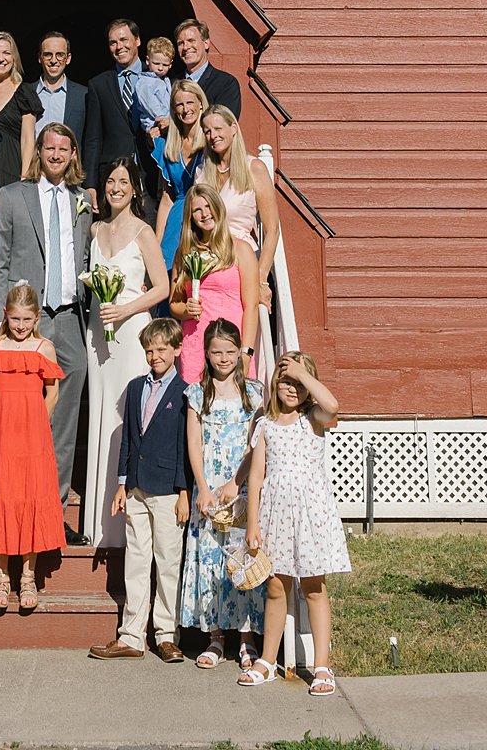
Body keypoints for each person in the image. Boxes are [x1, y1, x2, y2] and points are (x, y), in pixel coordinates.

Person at [0, 122, 92, 528]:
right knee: (22, 419)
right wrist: (1, 320)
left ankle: (55, 508)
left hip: (68, 317)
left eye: (63, 149)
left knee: (64, 422)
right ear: (40, 152)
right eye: (49, 148)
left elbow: (84, 258)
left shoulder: (81, 199)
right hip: (26, 324)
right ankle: (16, 506)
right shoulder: (13, 196)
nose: (55, 155)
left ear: (72, 155)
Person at [239, 351, 350, 694]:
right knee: (275, 587)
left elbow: (331, 404)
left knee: (313, 587)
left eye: (299, 382)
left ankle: (321, 666)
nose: (293, 387)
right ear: (275, 384)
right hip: (276, 514)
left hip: (310, 514)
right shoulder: (266, 425)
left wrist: (303, 374)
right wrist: (253, 525)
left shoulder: (313, 418)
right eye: (286, 380)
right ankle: (268, 661)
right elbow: (255, 478)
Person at [87, 317, 190, 662]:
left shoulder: (185, 393)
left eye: (161, 349)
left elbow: (184, 448)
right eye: (149, 349)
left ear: (176, 349)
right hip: (137, 488)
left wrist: (184, 492)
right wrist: (122, 484)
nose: (154, 355)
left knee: (168, 561)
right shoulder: (134, 388)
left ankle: (166, 634)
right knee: (136, 559)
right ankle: (132, 634)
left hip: (168, 491)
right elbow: (130, 440)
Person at [82, 156, 170, 549]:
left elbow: (162, 287)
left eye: (123, 181)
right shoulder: (95, 228)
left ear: (134, 188)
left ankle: (126, 522)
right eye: (110, 181)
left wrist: (127, 309)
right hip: (99, 334)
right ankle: (98, 525)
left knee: (127, 414)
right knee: (100, 414)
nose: (116, 187)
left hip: (132, 330)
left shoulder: (143, 231)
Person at [0, 280, 66, 613]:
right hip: (1, 434)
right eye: (15, 320)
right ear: (5, 316)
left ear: (36, 317)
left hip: (33, 435)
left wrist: (39, 418)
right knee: (2, 496)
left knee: (30, 497)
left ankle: (28, 576)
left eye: (27, 320)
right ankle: (1, 577)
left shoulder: (44, 349)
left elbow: (52, 392)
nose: (21, 327)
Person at [181, 319, 265, 666]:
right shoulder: (197, 394)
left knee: (240, 559)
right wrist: (202, 486)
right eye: (216, 352)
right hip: (209, 488)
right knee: (212, 560)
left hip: (241, 486)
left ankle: (246, 639)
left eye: (230, 351)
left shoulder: (254, 393)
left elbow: (254, 443)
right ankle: (215, 638)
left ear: (239, 352)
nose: (224, 358)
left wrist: (237, 482)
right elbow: (194, 442)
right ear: (206, 354)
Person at [167, 185, 259, 383]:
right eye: (197, 210)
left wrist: (245, 352)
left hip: (230, 345)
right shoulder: (183, 254)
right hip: (196, 341)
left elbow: (251, 307)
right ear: (190, 216)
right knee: (196, 408)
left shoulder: (241, 250)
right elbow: (175, 304)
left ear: (218, 207)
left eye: (208, 206)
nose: (204, 214)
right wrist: (186, 310)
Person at [200, 107, 280, 307]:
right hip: (208, 262)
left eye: (218, 128)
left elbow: (272, 230)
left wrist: (260, 278)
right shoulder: (202, 171)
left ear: (233, 127)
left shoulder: (253, 168)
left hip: (242, 261)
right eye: (207, 131)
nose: (213, 136)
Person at [82, 18, 147, 204]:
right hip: (113, 176)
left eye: (124, 40)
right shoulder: (99, 85)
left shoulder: (158, 75)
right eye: (113, 42)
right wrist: (90, 184)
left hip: (151, 173)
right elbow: (93, 138)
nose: (119, 47)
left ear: (137, 40)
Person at [149, 79, 208, 274]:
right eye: (179, 104)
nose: (185, 109)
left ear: (200, 103)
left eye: (190, 102)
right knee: (168, 274)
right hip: (176, 218)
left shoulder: (211, 141)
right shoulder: (169, 146)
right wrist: (157, 242)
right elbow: (167, 198)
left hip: (205, 215)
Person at [0, 29, 41, 189]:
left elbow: (28, 138)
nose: (0, 59)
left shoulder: (24, 92)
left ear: (14, 58)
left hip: (12, 169)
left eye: (6, 53)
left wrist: (26, 177)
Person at [173, 19, 242, 118]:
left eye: (191, 40)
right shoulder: (172, 84)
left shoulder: (226, 84)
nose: (185, 47)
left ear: (206, 43)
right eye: (180, 43)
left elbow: (224, 124)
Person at [34, 31, 87, 143]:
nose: (53, 60)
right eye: (48, 54)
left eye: (60, 55)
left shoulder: (83, 95)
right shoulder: (25, 93)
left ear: (68, 58)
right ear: (40, 58)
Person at [129, 34, 177, 140]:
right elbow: (150, 104)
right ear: (147, 60)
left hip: (168, 123)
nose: (160, 68)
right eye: (156, 63)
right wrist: (164, 118)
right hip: (155, 124)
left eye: (164, 65)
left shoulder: (166, 80)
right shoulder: (144, 82)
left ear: (170, 64)